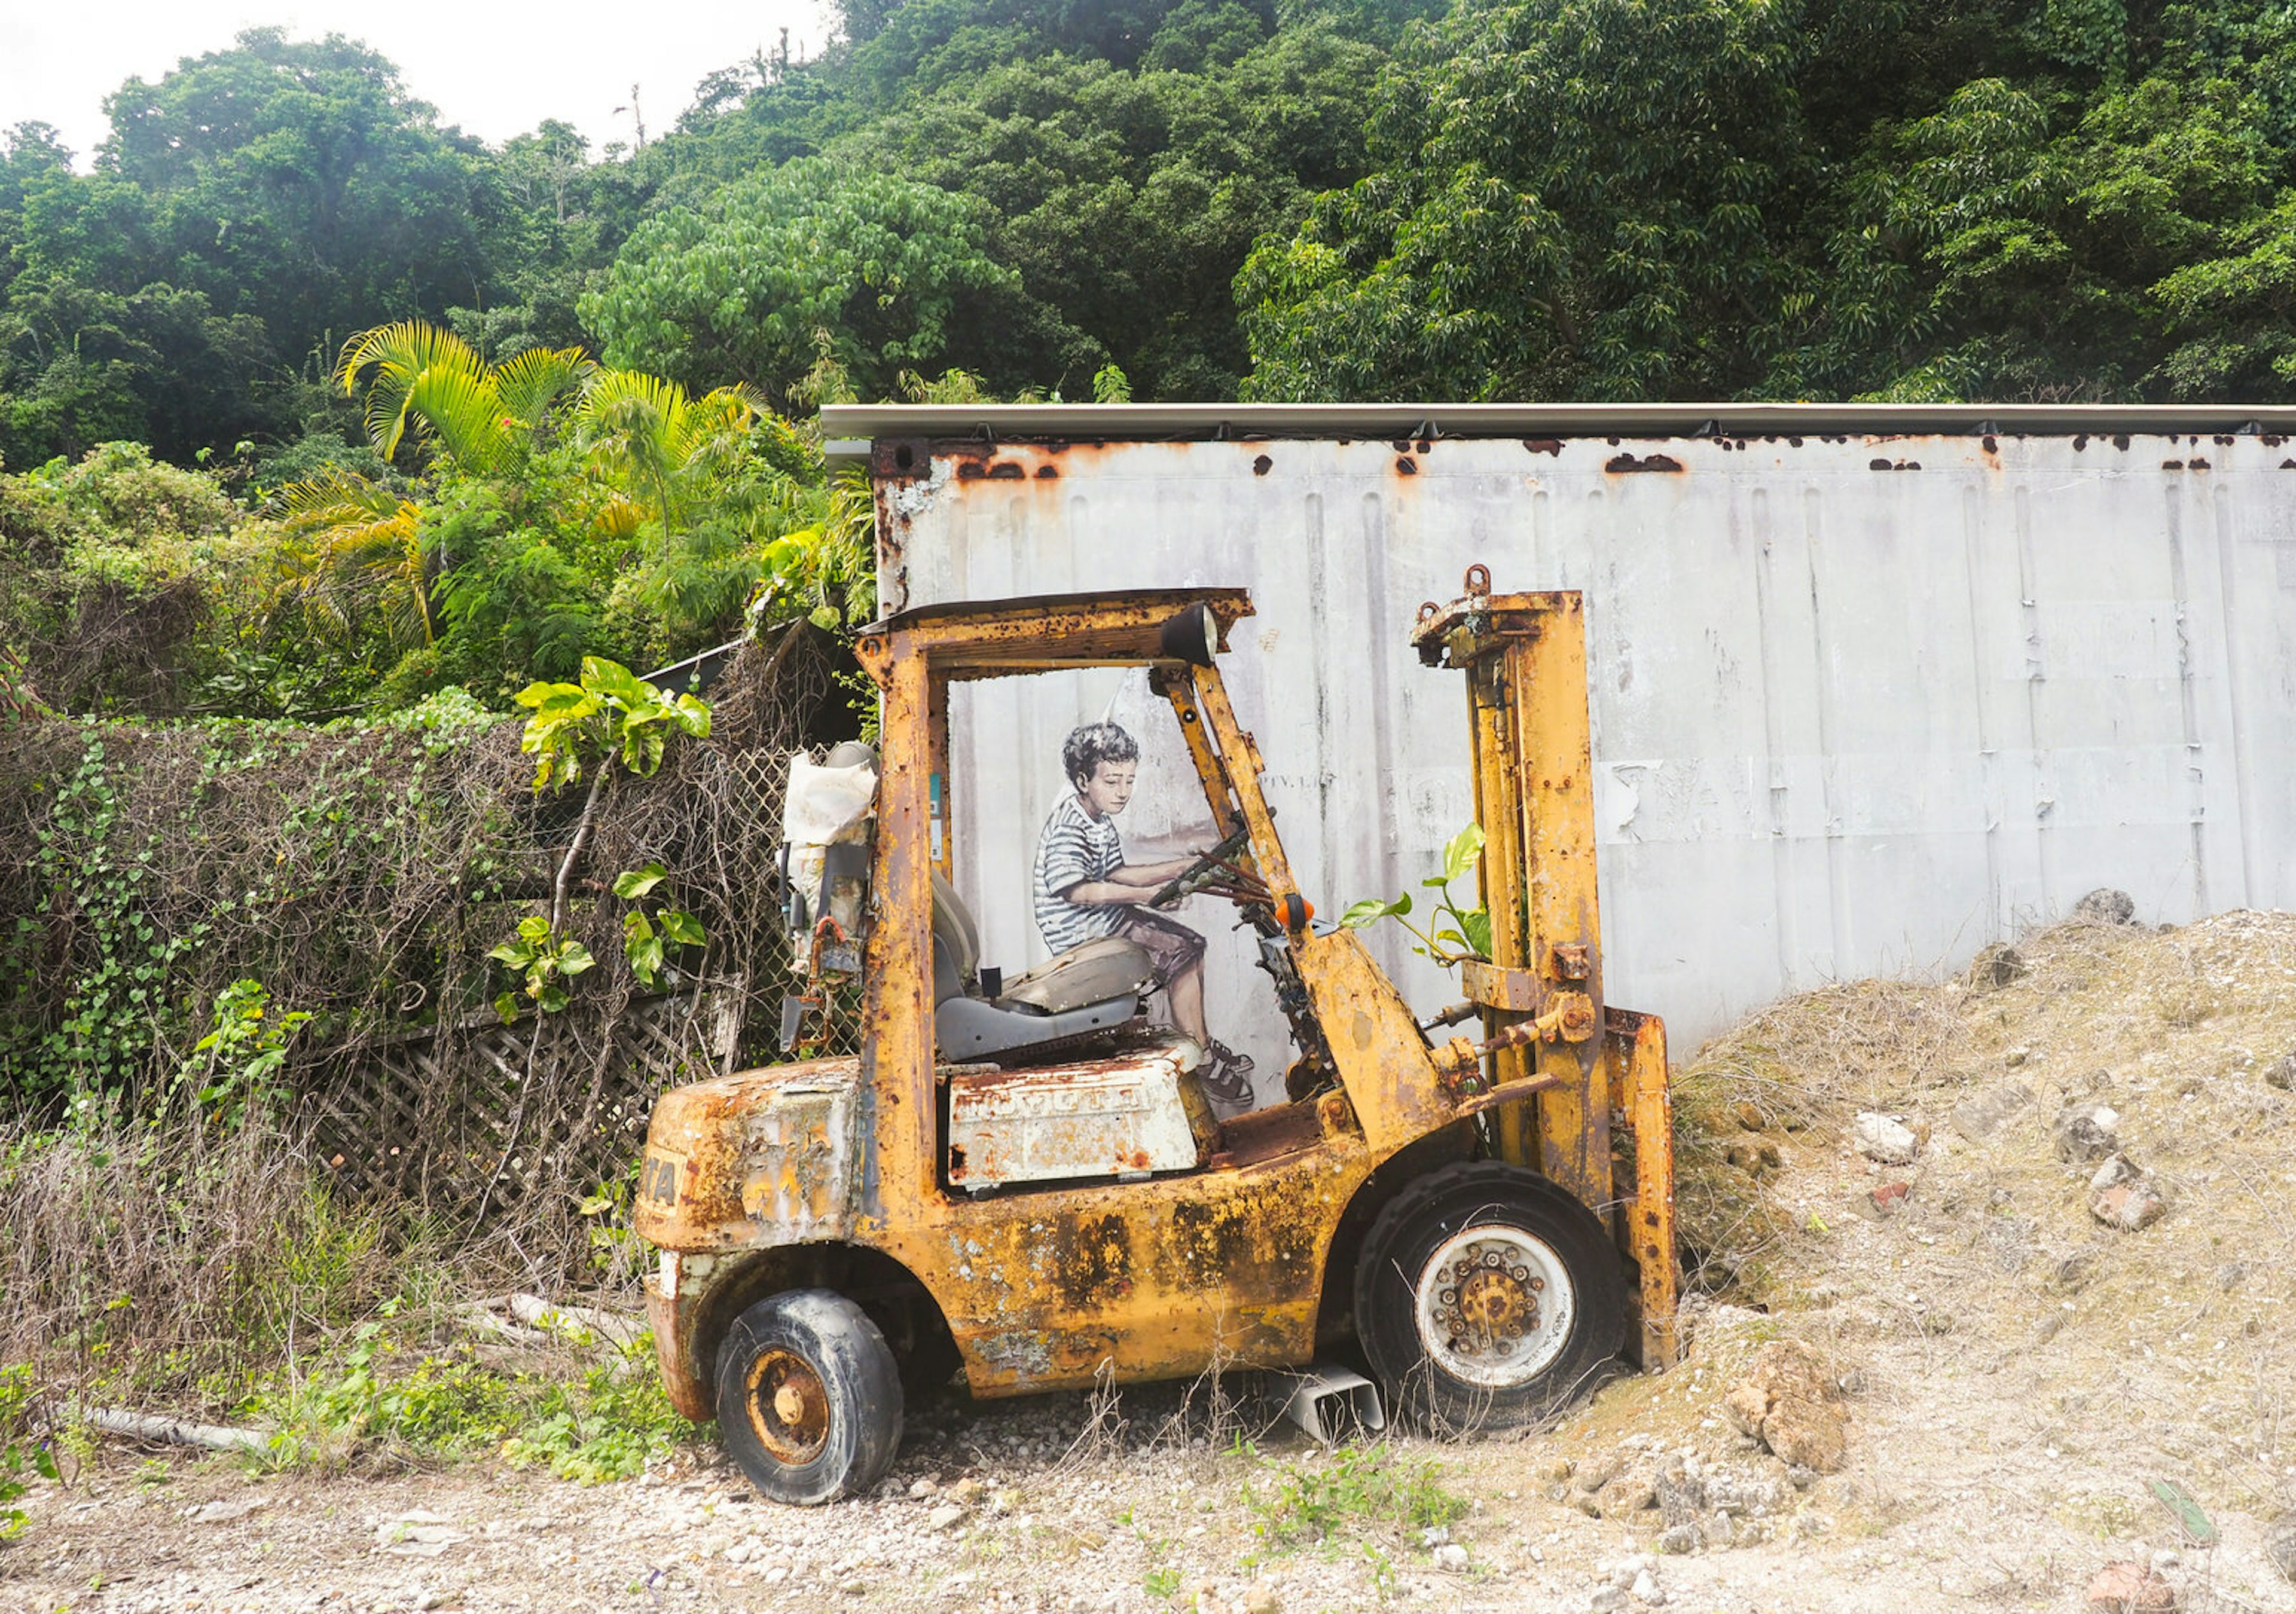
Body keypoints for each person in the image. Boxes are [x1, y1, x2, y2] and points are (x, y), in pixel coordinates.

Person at [1033, 721, 1255, 1111]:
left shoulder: (1098, 820)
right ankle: (1200, 1055)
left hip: (1105, 921)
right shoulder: (1070, 825)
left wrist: (1181, 867)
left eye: (1129, 781)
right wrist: (1145, 896)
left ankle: (1197, 1037)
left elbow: (1116, 874)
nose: (1123, 792)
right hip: (1083, 936)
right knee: (1179, 952)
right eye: (1113, 781)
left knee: (1192, 944)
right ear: (1084, 779)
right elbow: (1079, 891)